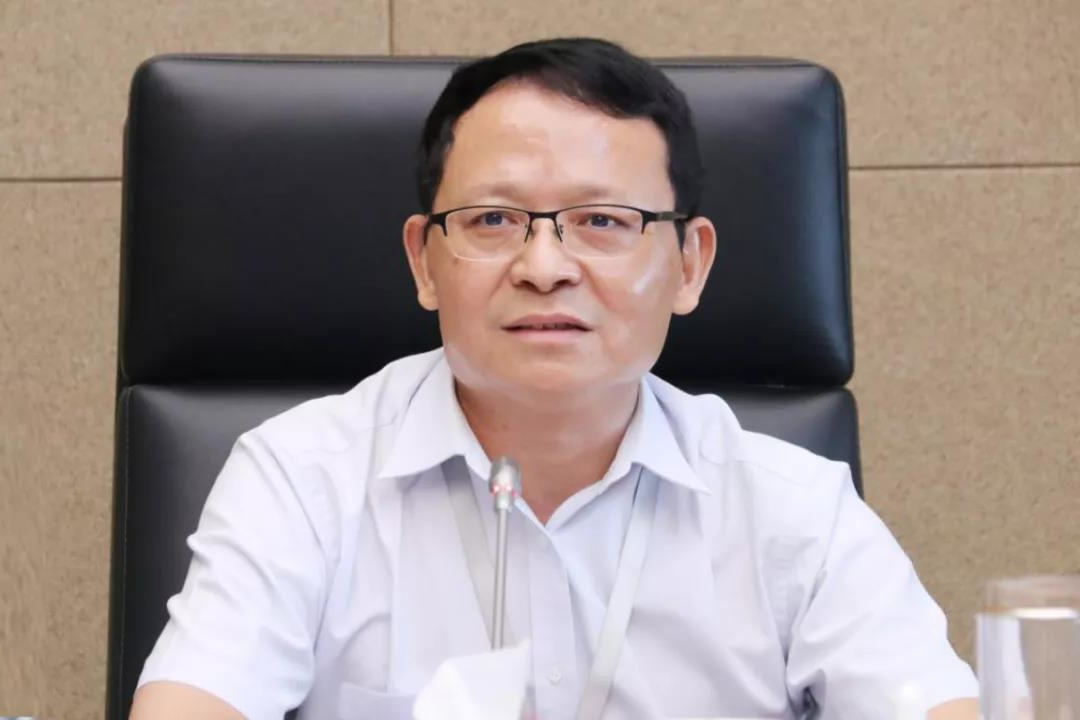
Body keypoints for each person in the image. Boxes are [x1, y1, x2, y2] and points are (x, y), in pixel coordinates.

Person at [130, 38, 978, 719]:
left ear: (689, 264)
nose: (544, 267)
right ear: (424, 262)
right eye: (493, 220)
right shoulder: (301, 483)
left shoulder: (795, 514)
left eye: (602, 220)